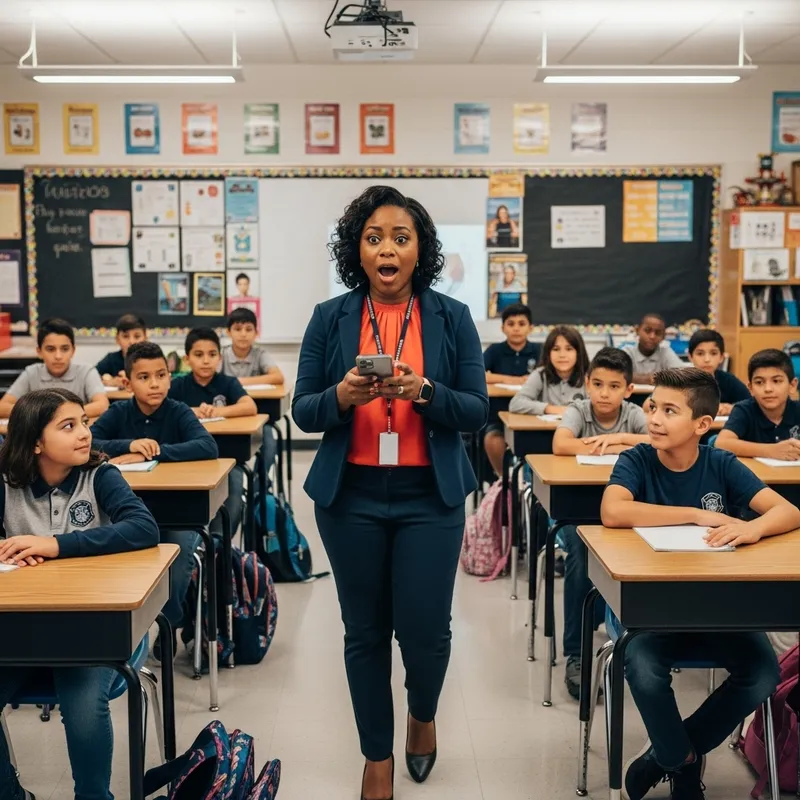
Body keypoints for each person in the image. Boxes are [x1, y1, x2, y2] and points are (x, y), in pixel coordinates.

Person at [293, 185, 488, 800]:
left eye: (400, 238)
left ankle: (422, 714)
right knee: (365, 633)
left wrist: (424, 393)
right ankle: (377, 757)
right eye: (373, 237)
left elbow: (477, 410)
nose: (386, 248)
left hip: (429, 497)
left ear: (420, 250)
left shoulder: (452, 317)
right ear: (357, 249)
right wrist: (343, 398)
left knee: (425, 633)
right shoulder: (331, 317)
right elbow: (303, 410)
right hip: (350, 497)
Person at [601, 368, 798, 800]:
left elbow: (787, 512)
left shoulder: (720, 462)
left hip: (719, 608)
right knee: (646, 672)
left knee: (762, 675)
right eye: (653, 406)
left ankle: (669, 756)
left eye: (670, 411)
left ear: (702, 425)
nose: (653, 418)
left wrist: (753, 529)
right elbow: (613, 511)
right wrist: (696, 514)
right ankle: (685, 764)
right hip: (653, 611)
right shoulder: (637, 459)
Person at [0, 388, 159, 800]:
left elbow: (145, 529)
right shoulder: (6, 481)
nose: (84, 434)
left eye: (84, 423)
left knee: (84, 710)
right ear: (35, 441)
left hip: (90, 630)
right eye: (68, 427)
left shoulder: (100, 475)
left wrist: (55, 545)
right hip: (20, 631)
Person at [90, 342, 218, 655]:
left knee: (177, 558)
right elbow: (90, 441)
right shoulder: (119, 412)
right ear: (128, 382)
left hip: (178, 511)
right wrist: (129, 445)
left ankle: (167, 623)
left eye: (161, 375)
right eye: (144, 377)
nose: (155, 383)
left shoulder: (178, 411)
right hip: (127, 515)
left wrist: (156, 450)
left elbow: (207, 446)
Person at [552, 346, 649, 698]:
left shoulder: (634, 414)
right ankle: (576, 654)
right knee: (580, 556)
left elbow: (658, 442)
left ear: (628, 390)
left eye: (613, 386)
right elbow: (561, 444)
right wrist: (609, 449)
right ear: (587, 384)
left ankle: (636, 647)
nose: (604, 393)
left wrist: (620, 439)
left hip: (627, 512)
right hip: (582, 512)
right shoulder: (579, 409)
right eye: (597, 384)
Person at [170, 328, 257, 540]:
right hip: (186, 460)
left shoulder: (227, 383)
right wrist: (192, 412)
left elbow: (249, 406)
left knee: (235, 491)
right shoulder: (178, 385)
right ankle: (196, 544)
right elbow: (164, 408)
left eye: (212, 354)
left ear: (219, 357)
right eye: (198, 355)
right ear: (187, 359)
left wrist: (218, 411)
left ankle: (219, 546)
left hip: (226, 459)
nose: (206, 361)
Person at [0, 319, 109, 420]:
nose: (58, 356)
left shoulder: (86, 371)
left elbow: (102, 405)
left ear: (73, 350)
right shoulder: (31, 373)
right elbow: (2, 407)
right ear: (39, 352)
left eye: (65, 349)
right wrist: (41, 414)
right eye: (50, 349)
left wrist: (58, 414)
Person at [482, 303, 540, 476]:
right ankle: (503, 480)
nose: (516, 329)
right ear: (503, 328)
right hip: (498, 413)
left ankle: (530, 483)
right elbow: (479, 373)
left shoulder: (539, 350)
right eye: (511, 324)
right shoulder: (495, 350)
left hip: (532, 415)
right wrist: (511, 379)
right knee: (492, 439)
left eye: (522, 324)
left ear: (530, 328)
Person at [715, 348, 800, 460]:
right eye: (759, 382)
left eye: (776, 381)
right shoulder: (744, 410)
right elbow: (721, 443)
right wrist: (772, 451)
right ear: (750, 388)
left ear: (792, 385)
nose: (768, 389)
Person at [509, 325, 589, 416]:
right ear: (548, 353)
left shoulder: (589, 376)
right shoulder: (540, 374)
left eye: (569, 349)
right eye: (556, 349)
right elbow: (515, 403)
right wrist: (550, 408)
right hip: (545, 429)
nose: (562, 355)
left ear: (578, 353)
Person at [686, 329, 749, 416]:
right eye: (700, 353)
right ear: (690, 357)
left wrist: (732, 408)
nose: (707, 359)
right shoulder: (682, 382)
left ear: (721, 357)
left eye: (713, 353)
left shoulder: (728, 380)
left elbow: (750, 404)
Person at [222, 307, 284, 387]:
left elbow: (278, 377)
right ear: (228, 332)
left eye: (248, 329)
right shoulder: (221, 354)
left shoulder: (260, 354)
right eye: (238, 329)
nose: (243, 334)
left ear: (256, 333)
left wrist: (237, 382)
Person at [624, 313, 684, 384]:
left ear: (663, 336)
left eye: (658, 333)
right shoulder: (627, 352)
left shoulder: (665, 352)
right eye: (647, 330)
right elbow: (619, 376)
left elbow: (682, 375)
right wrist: (650, 379)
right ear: (637, 331)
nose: (652, 336)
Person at [96, 313, 147, 387]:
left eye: (137, 336)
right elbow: (92, 376)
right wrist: (111, 381)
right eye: (126, 336)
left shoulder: (152, 359)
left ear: (145, 338)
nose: (131, 342)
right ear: (117, 339)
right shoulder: (111, 359)